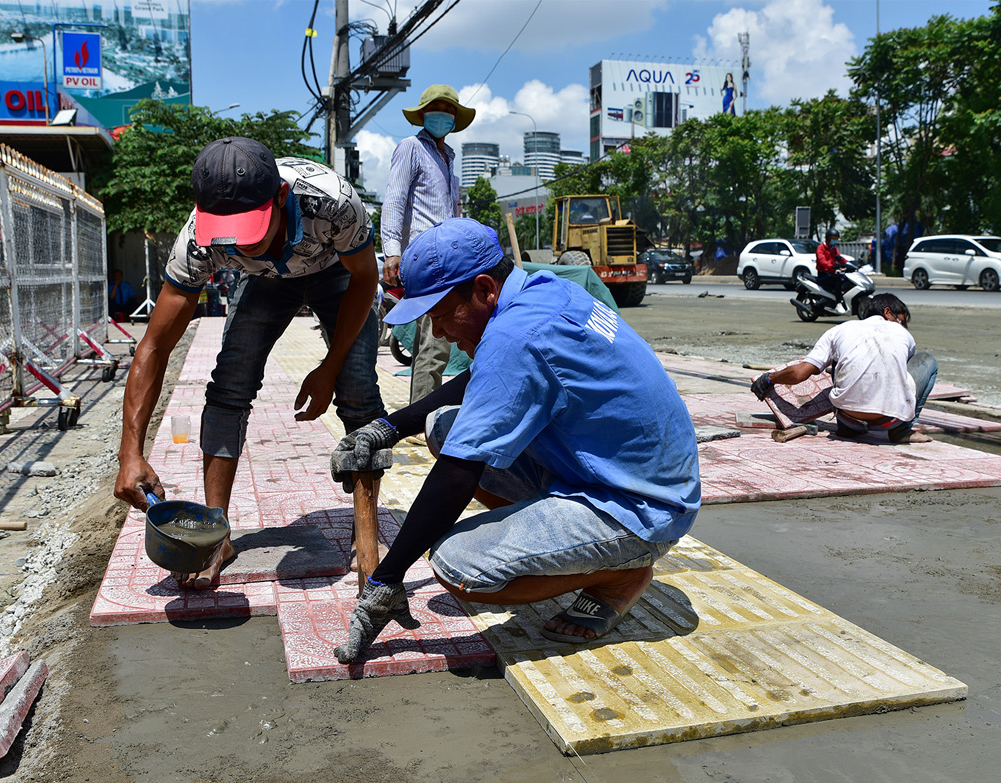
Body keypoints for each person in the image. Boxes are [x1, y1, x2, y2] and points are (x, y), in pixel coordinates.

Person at [329, 218, 701, 663]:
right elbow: (479, 378)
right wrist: (387, 427)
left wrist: (385, 582)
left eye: (443, 316)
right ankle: (565, 547)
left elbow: (457, 474)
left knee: (456, 564)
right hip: (625, 469)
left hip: (642, 507)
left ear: (485, 289)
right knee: (444, 425)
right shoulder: (538, 289)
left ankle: (622, 573)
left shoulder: (517, 335)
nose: (441, 333)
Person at [114, 136, 386, 588]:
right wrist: (130, 452)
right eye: (228, 237)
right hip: (265, 282)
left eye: (249, 230)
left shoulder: (332, 202)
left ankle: (367, 530)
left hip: (338, 274)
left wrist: (330, 366)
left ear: (279, 197)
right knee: (229, 385)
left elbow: (365, 278)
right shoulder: (196, 239)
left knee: (358, 389)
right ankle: (216, 533)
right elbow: (154, 346)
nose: (238, 244)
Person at [381, 84, 474, 405]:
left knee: (444, 341)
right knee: (433, 346)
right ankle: (423, 419)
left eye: (449, 110)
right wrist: (392, 250)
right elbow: (394, 200)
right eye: (438, 109)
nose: (444, 115)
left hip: (451, 260)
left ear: (455, 118)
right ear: (423, 115)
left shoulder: (448, 158)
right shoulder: (411, 147)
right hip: (425, 259)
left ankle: (431, 412)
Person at [751, 293, 938, 445]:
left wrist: (769, 378)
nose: (903, 326)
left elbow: (801, 372)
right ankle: (902, 431)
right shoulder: (902, 334)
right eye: (901, 320)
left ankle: (850, 426)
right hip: (889, 420)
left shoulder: (839, 330)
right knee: (927, 361)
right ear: (888, 312)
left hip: (848, 417)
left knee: (837, 363)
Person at [815, 228, 847, 304]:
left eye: (836, 239)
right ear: (828, 239)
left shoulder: (833, 248)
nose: (834, 241)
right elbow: (822, 261)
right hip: (823, 274)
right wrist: (832, 266)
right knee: (838, 281)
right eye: (833, 239)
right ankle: (838, 302)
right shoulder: (821, 248)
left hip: (832, 273)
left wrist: (848, 264)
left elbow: (839, 258)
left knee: (845, 280)